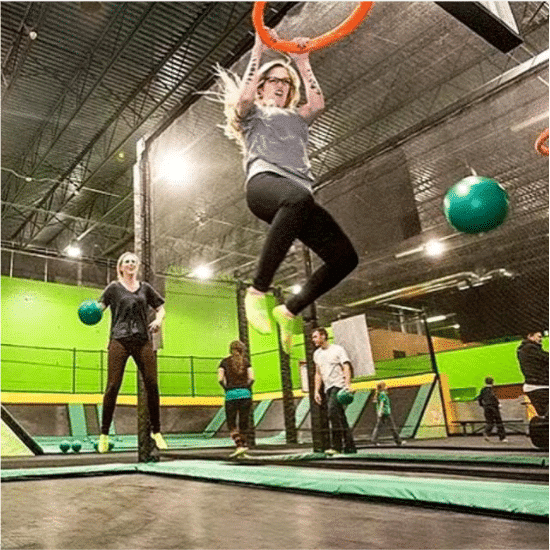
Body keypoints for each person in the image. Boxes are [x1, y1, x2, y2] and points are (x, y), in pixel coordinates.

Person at [216, 29, 358, 354]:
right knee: (299, 197)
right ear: (263, 86)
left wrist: (302, 62)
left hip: (297, 197)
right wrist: (258, 50)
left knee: (345, 258)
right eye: (274, 80)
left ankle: (290, 308)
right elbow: (244, 99)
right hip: (264, 184)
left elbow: (318, 102)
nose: (281, 85)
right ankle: (257, 291)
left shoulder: (296, 116)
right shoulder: (253, 114)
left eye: (286, 82)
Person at [97, 252, 167, 453]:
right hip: (119, 339)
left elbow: (161, 308)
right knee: (113, 385)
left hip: (142, 340)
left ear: (137, 267)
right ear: (120, 267)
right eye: (127, 261)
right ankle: (104, 434)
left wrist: (158, 320)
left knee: (152, 383)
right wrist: (91, 312)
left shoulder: (145, 288)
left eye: (134, 262)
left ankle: (157, 432)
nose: (131, 264)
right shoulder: (113, 288)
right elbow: (99, 307)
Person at [312, 327, 357, 454]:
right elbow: (318, 374)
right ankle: (350, 446)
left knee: (332, 412)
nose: (313, 340)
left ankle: (336, 446)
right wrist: (316, 391)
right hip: (328, 388)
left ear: (323, 336)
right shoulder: (317, 354)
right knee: (340, 416)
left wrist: (348, 384)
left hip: (338, 386)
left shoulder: (338, 350)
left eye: (315, 337)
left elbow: (346, 366)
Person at [218, 340, 255, 457]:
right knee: (243, 422)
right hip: (245, 395)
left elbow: (220, 379)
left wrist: (227, 388)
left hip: (231, 395)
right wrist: (246, 388)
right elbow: (252, 378)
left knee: (232, 423)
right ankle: (243, 446)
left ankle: (239, 445)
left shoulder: (224, 362)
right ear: (242, 350)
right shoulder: (246, 362)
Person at [517, 331, 549, 417]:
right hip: (540, 386)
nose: (541, 339)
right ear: (530, 336)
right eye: (538, 336)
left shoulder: (523, 349)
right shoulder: (530, 349)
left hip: (534, 386)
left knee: (545, 415)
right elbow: (546, 358)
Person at [371, 381, 403, 446]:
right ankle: (398, 441)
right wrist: (380, 411)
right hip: (385, 412)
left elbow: (377, 402)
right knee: (392, 427)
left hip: (383, 412)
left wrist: (378, 411)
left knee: (378, 427)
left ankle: (374, 440)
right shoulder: (383, 394)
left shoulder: (379, 394)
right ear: (383, 387)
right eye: (385, 386)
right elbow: (382, 403)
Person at [477, 377, 508, 443]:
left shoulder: (483, 390)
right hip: (494, 407)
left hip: (486, 408)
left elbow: (479, 398)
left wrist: (482, 405)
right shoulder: (492, 390)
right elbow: (494, 398)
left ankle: (487, 433)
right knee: (499, 422)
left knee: (489, 422)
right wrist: (498, 404)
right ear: (492, 382)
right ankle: (502, 437)